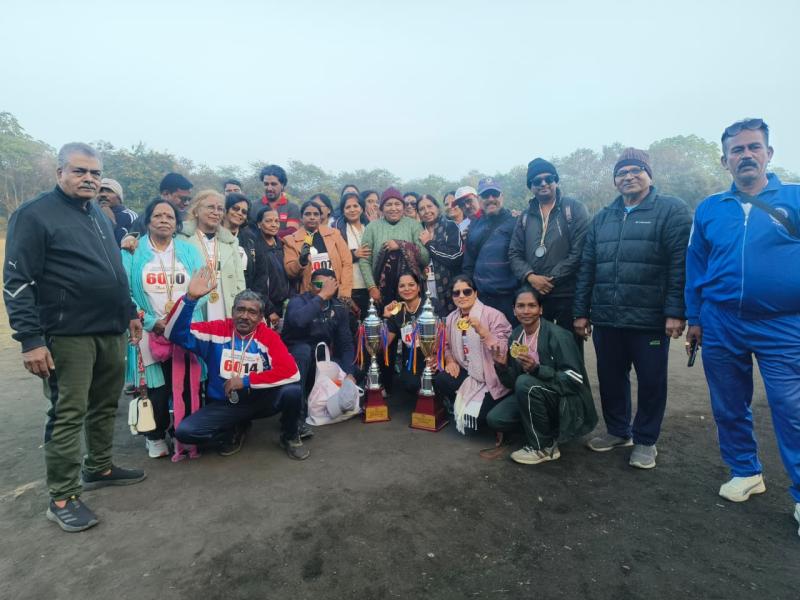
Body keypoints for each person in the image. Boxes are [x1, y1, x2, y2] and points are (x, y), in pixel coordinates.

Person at [4, 142, 145, 532]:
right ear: (60, 173)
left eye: (95, 173)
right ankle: (62, 496)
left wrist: (128, 310)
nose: (89, 179)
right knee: (67, 412)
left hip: (110, 328)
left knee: (105, 404)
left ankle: (99, 466)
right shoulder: (34, 215)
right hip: (67, 334)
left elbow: (113, 268)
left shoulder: (97, 213)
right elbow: (17, 282)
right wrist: (30, 339)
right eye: (79, 171)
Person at [685, 118, 800, 534]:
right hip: (721, 320)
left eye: (754, 147)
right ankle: (745, 471)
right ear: (725, 160)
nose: (746, 155)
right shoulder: (710, 208)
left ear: (769, 153)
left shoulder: (795, 198)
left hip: (783, 323)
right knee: (728, 403)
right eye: (737, 150)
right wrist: (695, 317)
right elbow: (696, 264)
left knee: (791, 408)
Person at [573, 148, 691, 469]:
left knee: (651, 381)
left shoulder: (671, 210)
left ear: (649, 175)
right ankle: (617, 431)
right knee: (610, 378)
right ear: (615, 180)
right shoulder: (602, 218)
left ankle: (645, 440)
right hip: (607, 316)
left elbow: (680, 265)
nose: (628, 177)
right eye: (621, 172)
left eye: (636, 170)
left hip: (649, 318)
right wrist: (581, 312)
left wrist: (676, 311)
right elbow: (587, 267)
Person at [166, 272, 308, 459]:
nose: (245, 316)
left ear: (260, 317)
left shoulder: (268, 337)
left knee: (292, 391)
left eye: (252, 312)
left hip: (260, 400)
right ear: (232, 312)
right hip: (226, 403)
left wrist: (246, 381)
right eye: (240, 310)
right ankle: (232, 430)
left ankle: (290, 436)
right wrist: (190, 299)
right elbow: (173, 333)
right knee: (185, 432)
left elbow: (290, 372)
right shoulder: (216, 331)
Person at [121, 199, 206, 459]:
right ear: (147, 221)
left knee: (187, 384)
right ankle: (155, 436)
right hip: (148, 330)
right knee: (155, 388)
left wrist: (181, 319)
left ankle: (184, 432)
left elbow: (203, 286)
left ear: (176, 223)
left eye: (169, 216)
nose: (164, 220)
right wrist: (149, 321)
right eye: (158, 215)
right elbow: (124, 292)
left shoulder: (188, 250)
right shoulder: (133, 251)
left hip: (183, 328)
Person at [487, 287, 597, 465]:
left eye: (532, 305)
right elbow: (513, 383)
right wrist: (501, 367)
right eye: (521, 306)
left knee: (525, 382)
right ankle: (545, 429)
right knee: (496, 419)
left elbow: (575, 381)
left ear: (541, 309)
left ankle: (544, 447)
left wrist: (537, 370)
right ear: (514, 310)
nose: (526, 311)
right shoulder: (516, 335)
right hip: (535, 393)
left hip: (566, 398)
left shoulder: (559, 335)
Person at [509, 158, 590, 333]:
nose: (543, 183)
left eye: (549, 178)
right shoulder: (525, 216)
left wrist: (548, 280)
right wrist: (531, 277)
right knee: (537, 346)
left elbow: (579, 253)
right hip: (534, 297)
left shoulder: (574, 209)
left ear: (556, 181)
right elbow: (514, 253)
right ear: (531, 186)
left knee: (567, 347)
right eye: (537, 181)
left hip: (567, 295)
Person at [433, 276, 512, 434]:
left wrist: (482, 331)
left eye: (467, 291)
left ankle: (491, 408)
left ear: (475, 293)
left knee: (477, 421)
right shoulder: (451, 318)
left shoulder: (494, 315)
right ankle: (459, 404)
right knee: (441, 378)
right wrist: (450, 360)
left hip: (490, 377)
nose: (461, 296)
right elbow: (446, 345)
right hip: (468, 372)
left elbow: (503, 352)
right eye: (456, 293)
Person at [282, 269, 356, 398]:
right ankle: (298, 405)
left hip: (321, 358)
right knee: (303, 351)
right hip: (296, 357)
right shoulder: (297, 301)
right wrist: (322, 296)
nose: (324, 289)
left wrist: (349, 374)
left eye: (329, 285)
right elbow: (299, 321)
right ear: (310, 286)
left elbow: (346, 344)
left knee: (353, 371)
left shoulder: (339, 307)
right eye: (319, 285)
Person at [180, 190, 246, 319]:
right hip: (196, 304)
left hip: (226, 305)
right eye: (210, 207)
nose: (216, 212)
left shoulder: (231, 241)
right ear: (196, 211)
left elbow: (239, 280)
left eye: (220, 209)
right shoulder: (181, 239)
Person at [359, 187, 430, 307]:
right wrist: (371, 287)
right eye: (388, 204)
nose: (393, 208)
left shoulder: (414, 225)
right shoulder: (372, 227)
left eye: (397, 204)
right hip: (381, 291)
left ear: (403, 207)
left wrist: (401, 244)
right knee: (385, 317)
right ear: (382, 208)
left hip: (411, 289)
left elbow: (425, 258)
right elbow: (365, 260)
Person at [461, 177, 518, 324]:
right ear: (479, 199)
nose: (491, 199)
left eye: (495, 194)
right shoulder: (474, 225)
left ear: (502, 197)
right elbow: (468, 264)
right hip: (481, 300)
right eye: (486, 195)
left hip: (509, 299)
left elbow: (523, 259)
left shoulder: (515, 222)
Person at [284, 200, 353, 302]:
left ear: (320, 217)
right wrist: (301, 261)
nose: (312, 217)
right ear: (301, 218)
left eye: (316, 214)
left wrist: (344, 291)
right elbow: (290, 272)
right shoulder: (291, 240)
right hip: (309, 295)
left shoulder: (334, 234)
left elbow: (347, 262)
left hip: (336, 291)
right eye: (308, 214)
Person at [416, 194, 463, 317]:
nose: (427, 211)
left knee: (449, 322)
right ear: (418, 213)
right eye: (422, 209)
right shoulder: (417, 230)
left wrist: (429, 243)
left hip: (448, 288)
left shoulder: (450, 226)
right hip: (424, 286)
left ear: (437, 208)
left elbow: (455, 257)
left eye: (429, 206)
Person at [383, 272, 427, 395]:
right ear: (398, 290)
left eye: (411, 285)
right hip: (412, 361)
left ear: (419, 287)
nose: (407, 289)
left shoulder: (431, 304)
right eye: (402, 286)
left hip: (434, 357)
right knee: (411, 384)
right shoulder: (397, 310)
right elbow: (384, 343)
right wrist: (386, 317)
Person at [250, 206, 291, 329]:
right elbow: (257, 284)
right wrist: (269, 310)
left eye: (277, 221)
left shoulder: (282, 245)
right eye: (268, 221)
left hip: (283, 305)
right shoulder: (254, 247)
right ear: (259, 224)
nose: (274, 225)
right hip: (265, 307)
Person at [124, 172, 193, 241]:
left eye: (189, 199)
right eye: (183, 199)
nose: (187, 203)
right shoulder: (145, 220)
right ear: (166, 194)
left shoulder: (188, 218)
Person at [336, 191, 371, 318]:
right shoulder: (338, 230)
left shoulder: (369, 227)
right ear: (343, 210)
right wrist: (354, 254)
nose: (352, 210)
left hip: (371, 285)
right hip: (351, 286)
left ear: (361, 208)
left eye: (355, 206)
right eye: (348, 207)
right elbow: (335, 258)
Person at [249, 164, 300, 237]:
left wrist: (267, 234)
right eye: (266, 184)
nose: (269, 188)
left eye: (273, 184)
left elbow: (292, 231)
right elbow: (250, 230)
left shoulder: (292, 207)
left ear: (282, 185)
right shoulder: (253, 206)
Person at [224, 192, 256, 281]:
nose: (240, 213)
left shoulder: (251, 239)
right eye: (235, 209)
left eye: (244, 212)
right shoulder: (213, 235)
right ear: (226, 209)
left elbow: (260, 272)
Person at [97, 177, 138, 244]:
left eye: (109, 191)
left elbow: (130, 245)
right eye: (100, 191)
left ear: (119, 197)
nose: (103, 194)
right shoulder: (91, 215)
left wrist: (112, 222)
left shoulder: (130, 216)